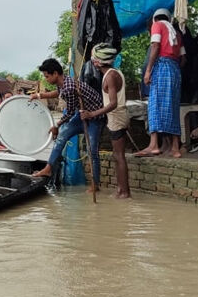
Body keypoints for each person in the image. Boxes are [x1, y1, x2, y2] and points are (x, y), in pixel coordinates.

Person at [30, 58, 104, 191]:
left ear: (55, 74)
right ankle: (48, 168)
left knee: (92, 150)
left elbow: (69, 113)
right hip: (81, 114)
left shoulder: (69, 87)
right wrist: (39, 95)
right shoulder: (63, 84)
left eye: (47, 76)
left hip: (95, 117)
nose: (46, 79)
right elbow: (58, 93)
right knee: (62, 137)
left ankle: (95, 184)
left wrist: (56, 125)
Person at [82, 43, 131, 198]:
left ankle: (124, 192)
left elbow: (113, 103)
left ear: (98, 62)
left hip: (117, 118)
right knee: (117, 156)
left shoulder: (110, 76)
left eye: (93, 59)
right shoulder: (113, 73)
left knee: (119, 156)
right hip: (116, 118)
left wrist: (92, 114)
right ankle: (121, 190)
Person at [135, 8, 184, 158]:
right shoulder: (177, 34)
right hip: (175, 69)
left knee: (155, 105)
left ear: (155, 19)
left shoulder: (157, 26)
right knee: (173, 106)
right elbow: (184, 59)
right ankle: (175, 147)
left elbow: (155, 46)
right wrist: (173, 66)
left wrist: (149, 70)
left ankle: (153, 145)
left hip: (162, 67)